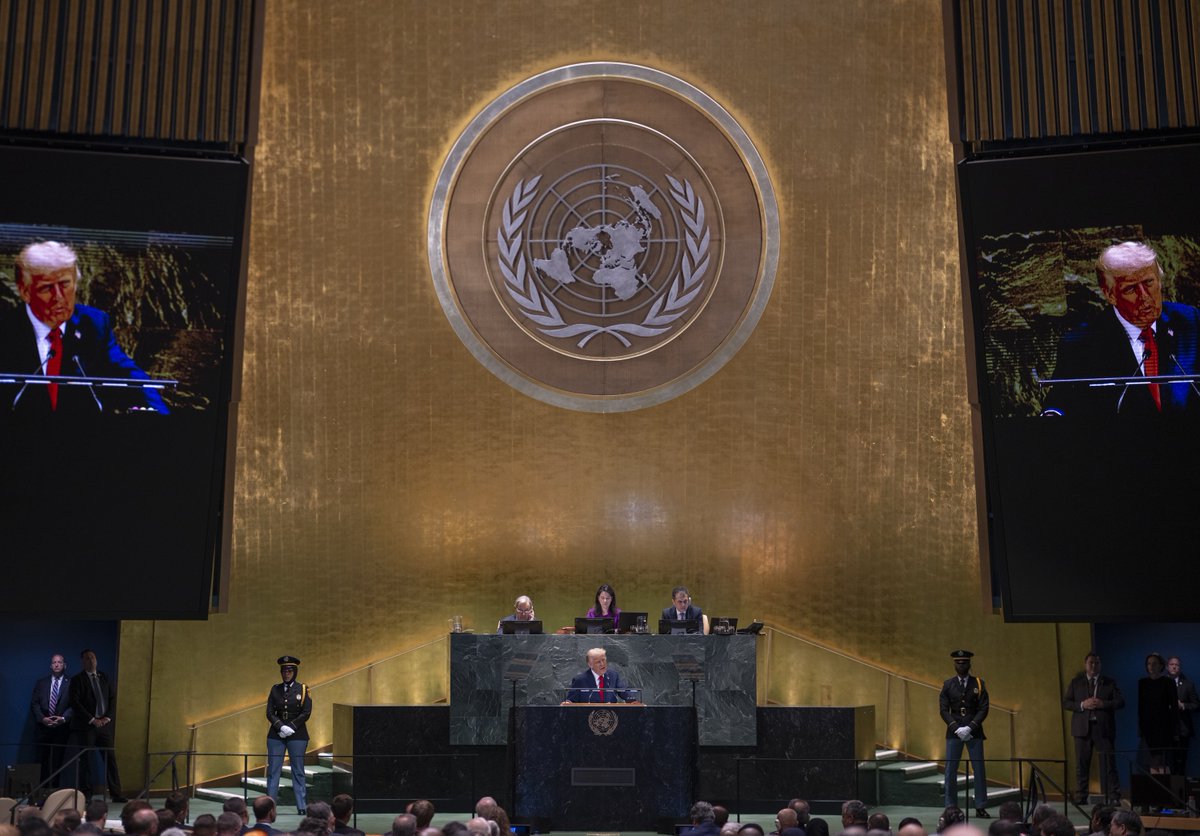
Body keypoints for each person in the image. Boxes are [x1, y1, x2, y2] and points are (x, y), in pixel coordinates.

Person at [1, 241, 168, 415]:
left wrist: (159, 415)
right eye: (47, 288)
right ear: (25, 292)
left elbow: (129, 375)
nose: (59, 297)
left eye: (65, 284)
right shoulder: (6, 330)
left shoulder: (94, 324)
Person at [1043, 241, 1200, 418]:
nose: (1145, 297)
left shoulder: (1191, 322)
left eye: (1149, 282)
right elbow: (1060, 402)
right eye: (1131, 288)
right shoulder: (1080, 344)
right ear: (1110, 295)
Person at [1063, 652, 1125, 803]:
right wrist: (1083, 705)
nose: (1093, 666)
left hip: (1103, 728)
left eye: (1096, 663)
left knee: (1109, 764)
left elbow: (1120, 702)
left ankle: (1114, 796)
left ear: (1100, 665)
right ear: (1085, 664)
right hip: (1081, 729)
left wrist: (1103, 704)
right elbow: (1066, 703)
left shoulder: (1109, 682)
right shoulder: (1076, 682)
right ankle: (1081, 796)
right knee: (1081, 764)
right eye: (1091, 663)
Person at [66, 648, 123, 801]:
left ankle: (116, 794)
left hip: (103, 726)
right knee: (86, 761)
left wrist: (107, 718)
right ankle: (87, 796)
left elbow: (112, 699)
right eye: (87, 658)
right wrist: (92, 719)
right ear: (82, 662)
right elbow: (75, 703)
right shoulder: (77, 680)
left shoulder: (104, 677)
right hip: (86, 726)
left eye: (92, 658)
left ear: (96, 660)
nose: (91, 660)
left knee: (110, 758)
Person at [940, 649, 990, 816]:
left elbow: (984, 708)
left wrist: (970, 727)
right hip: (954, 733)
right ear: (954, 664)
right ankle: (950, 807)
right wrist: (956, 728)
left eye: (964, 662)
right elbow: (943, 710)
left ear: (969, 664)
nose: (961, 665)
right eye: (958, 662)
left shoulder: (979, 683)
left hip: (973, 732)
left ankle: (980, 806)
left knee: (979, 769)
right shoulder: (948, 684)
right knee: (951, 770)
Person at [265, 655, 311, 814]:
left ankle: (301, 806)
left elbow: (306, 712)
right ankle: (270, 807)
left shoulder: (303, 689)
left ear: (295, 672)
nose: (286, 674)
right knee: (273, 770)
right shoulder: (275, 689)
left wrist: (291, 726)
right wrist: (280, 727)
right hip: (276, 734)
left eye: (290, 671)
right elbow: (269, 712)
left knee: (298, 770)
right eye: (284, 671)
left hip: (297, 734)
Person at [30, 653, 72, 788]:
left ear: (64, 665)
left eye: (60, 662)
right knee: (42, 759)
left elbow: (74, 705)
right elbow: (34, 704)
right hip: (44, 727)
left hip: (62, 728)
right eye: (54, 662)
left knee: (58, 760)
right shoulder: (41, 683)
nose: (57, 664)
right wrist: (43, 719)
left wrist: (64, 718)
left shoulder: (71, 683)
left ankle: (55, 789)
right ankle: (41, 789)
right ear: (51, 665)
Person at [1137, 652, 1178, 772]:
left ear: (1161, 665)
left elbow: (1174, 708)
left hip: (1164, 727)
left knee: (1164, 761)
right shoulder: (1142, 683)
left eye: (1154, 663)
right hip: (1148, 727)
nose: (1151, 666)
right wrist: (1140, 728)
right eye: (1149, 664)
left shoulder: (1168, 682)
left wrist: (1175, 730)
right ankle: (1152, 788)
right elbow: (1141, 707)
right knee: (1148, 760)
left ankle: (1165, 787)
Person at [562, 647, 637, 703]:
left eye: (603, 660)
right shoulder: (580, 680)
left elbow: (624, 691)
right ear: (590, 664)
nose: (602, 664)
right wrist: (568, 703)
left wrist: (633, 699)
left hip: (611, 715)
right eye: (598, 662)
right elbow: (571, 701)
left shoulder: (613, 675)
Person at [1166, 656, 1198, 774]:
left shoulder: (1188, 684)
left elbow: (1196, 705)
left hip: (1182, 730)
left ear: (1179, 667)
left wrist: (1183, 705)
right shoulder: (1160, 683)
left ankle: (1179, 790)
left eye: (1177, 665)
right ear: (1167, 666)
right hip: (1165, 730)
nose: (1174, 666)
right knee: (1166, 761)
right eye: (1171, 664)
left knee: (1180, 762)